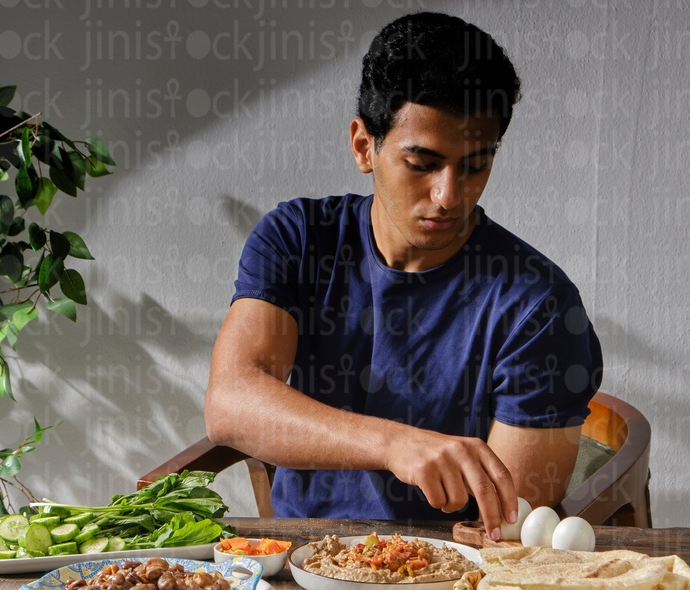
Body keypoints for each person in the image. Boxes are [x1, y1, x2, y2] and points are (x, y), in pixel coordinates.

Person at [203, 12, 603, 541]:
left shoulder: (540, 304)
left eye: (476, 165)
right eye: (421, 163)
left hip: (445, 586)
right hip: (299, 566)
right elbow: (230, 402)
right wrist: (396, 444)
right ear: (363, 146)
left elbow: (501, 537)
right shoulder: (299, 239)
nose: (449, 196)